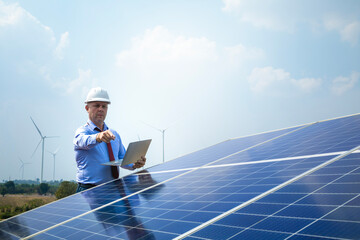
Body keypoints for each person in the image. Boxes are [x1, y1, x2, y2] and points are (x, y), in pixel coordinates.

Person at [73, 87, 146, 192]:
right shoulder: (82, 132)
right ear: (87, 108)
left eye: (104, 106)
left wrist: (135, 164)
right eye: (97, 105)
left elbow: (123, 159)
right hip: (89, 190)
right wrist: (98, 137)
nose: (101, 109)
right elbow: (83, 141)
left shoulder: (114, 135)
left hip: (112, 189)